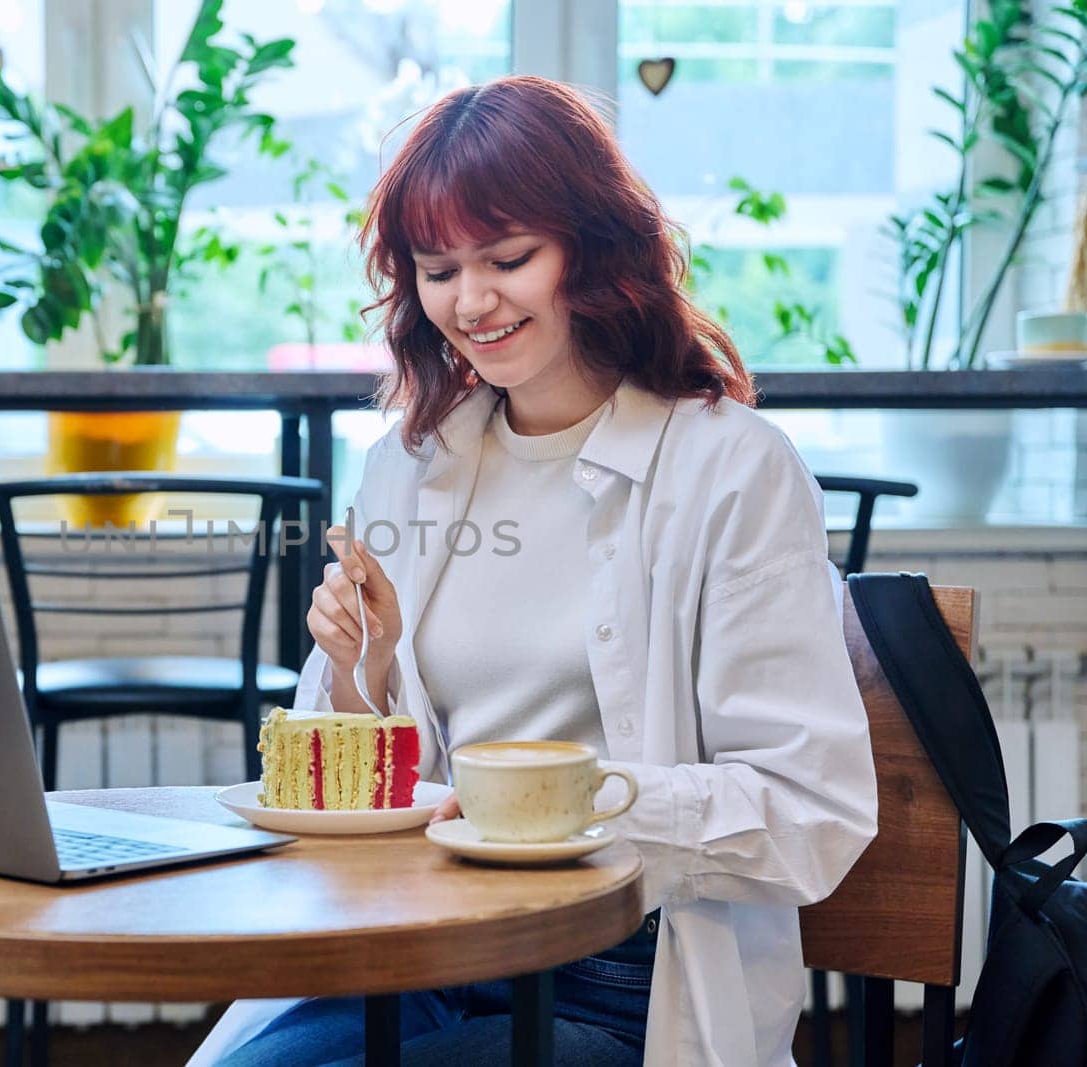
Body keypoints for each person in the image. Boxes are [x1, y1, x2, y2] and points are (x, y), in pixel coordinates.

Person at [193, 76, 876, 1067]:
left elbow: (807, 810)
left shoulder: (731, 468)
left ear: (594, 251)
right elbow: (357, 790)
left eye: (508, 258)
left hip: (621, 976)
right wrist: (360, 670)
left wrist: (552, 803)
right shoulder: (409, 461)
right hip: (417, 942)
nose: (470, 302)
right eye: (437, 269)